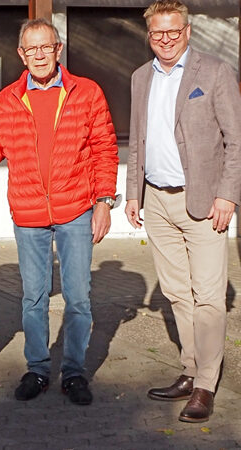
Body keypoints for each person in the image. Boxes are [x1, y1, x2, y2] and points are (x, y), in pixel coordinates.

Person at [0, 18, 119, 406]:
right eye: (32, 49)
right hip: (28, 214)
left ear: (58, 49)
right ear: (21, 54)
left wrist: (103, 201)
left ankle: (74, 372)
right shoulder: (8, 99)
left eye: (47, 47)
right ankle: (38, 369)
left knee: (78, 297)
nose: (40, 55)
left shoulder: (87, 92)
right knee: (33, 298)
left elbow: (105, 150)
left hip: (77, 208)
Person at [125, 0, 241, 423]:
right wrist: (133, 193)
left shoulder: (214, 72)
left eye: (173, 32)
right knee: (176, 292)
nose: (166, 40)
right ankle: (190, 369)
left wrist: (228, 195)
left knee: (209, 297)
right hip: (156, 201)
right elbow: (137, 140)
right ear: (149, 35)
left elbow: (236, 139)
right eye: (158, 33)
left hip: (205, 201)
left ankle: (207, 385)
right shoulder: (141, 77)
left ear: (187, 31)